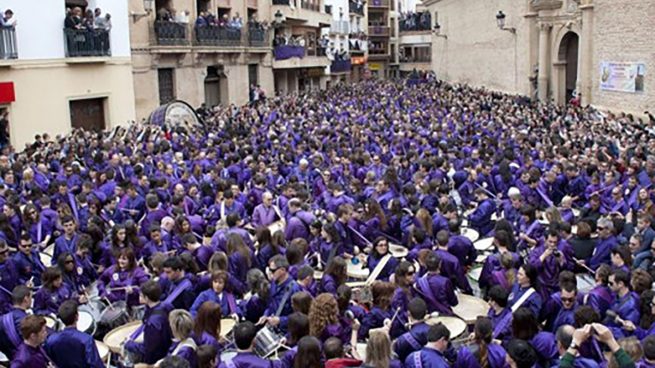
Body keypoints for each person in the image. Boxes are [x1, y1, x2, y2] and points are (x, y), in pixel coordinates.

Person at [124, 280, 174, 365]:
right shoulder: (167, 305)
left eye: (140, 295)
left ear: (146, 298)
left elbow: (147, 349)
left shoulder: (152, 323)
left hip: (157, 357)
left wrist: (129, 343)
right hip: (168, 346)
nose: (139, 297)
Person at [44, 300, 104, 368]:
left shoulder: (50, 340)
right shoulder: (86, 340)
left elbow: (50, 361)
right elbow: (96, 365)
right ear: (77, 316)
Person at [0, 285, 31, 359]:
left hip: (11, 359)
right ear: (26, 299)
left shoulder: (2, 319)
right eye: (31, 297)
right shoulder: (27, 320)